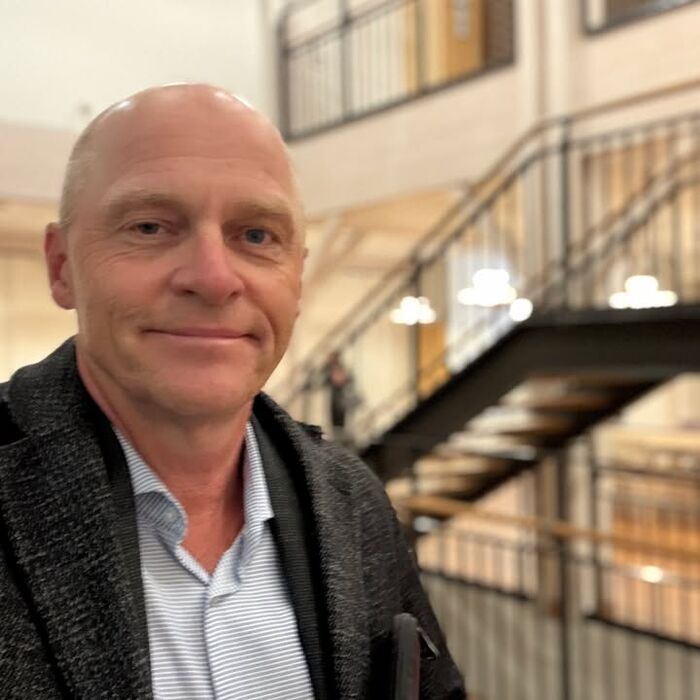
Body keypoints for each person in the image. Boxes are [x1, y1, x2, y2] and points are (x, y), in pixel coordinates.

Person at [0, 84, 465, 699]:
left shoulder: (352, 500)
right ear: (62, 267)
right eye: (149, 226)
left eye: (256, 236)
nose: (214, 279)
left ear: (297, 278)